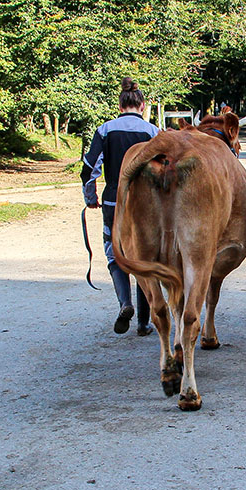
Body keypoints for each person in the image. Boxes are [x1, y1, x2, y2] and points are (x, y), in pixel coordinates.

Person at [82, 77, 160, 335]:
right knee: (142, 256)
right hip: (144, 204)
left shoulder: (105, 130)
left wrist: (90, 197)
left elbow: (89, 168)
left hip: (114, 200)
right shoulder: (152, 132)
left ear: (120, 104)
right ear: (142, 105)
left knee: (114, 252)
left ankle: (125, 303)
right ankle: (142, 323)